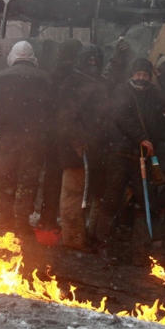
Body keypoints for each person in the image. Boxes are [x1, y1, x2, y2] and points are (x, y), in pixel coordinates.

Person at [95, 57, 165, 265]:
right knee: (113, 199)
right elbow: (121, 116)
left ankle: (140, 252)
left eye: (145, 74)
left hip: (140, 157)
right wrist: (141, 137)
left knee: (146, 202)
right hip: (120, 154)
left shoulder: (152, 94)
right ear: (132, 75)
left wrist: (163, 77)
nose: (142, 78)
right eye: (138, 74)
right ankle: (104, 247)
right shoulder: (122, 91)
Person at [56, 41, 127, 251]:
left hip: (98, 150)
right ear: (80, 60)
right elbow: (66, 118)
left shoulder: (98, 83)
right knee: (74, 196)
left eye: (96, 59)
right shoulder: (72, 83)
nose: (93, 63)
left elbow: (110, 76)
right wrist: (77, 142)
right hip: (77, 153)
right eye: (89, 59)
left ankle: (92, 237)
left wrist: (118, 58)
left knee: (97, 196)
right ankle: (73, 241)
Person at [0, 41, 53, 240]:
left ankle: (6, 221)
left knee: (6, 179)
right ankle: (21, 223)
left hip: (8, 138)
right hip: (34, 139)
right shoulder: (45, 79)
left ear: (13, 55)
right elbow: (50, 111)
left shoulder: (0, 78)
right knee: (28, 181)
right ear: (32, 56)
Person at [37, 38, 83, 232]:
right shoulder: (77, 77)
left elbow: (46, 106)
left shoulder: (52, 75)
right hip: (69, 135)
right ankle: (69, 223)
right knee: (70, 180)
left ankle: (47, 219)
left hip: (52, 133)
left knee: (52, 177)